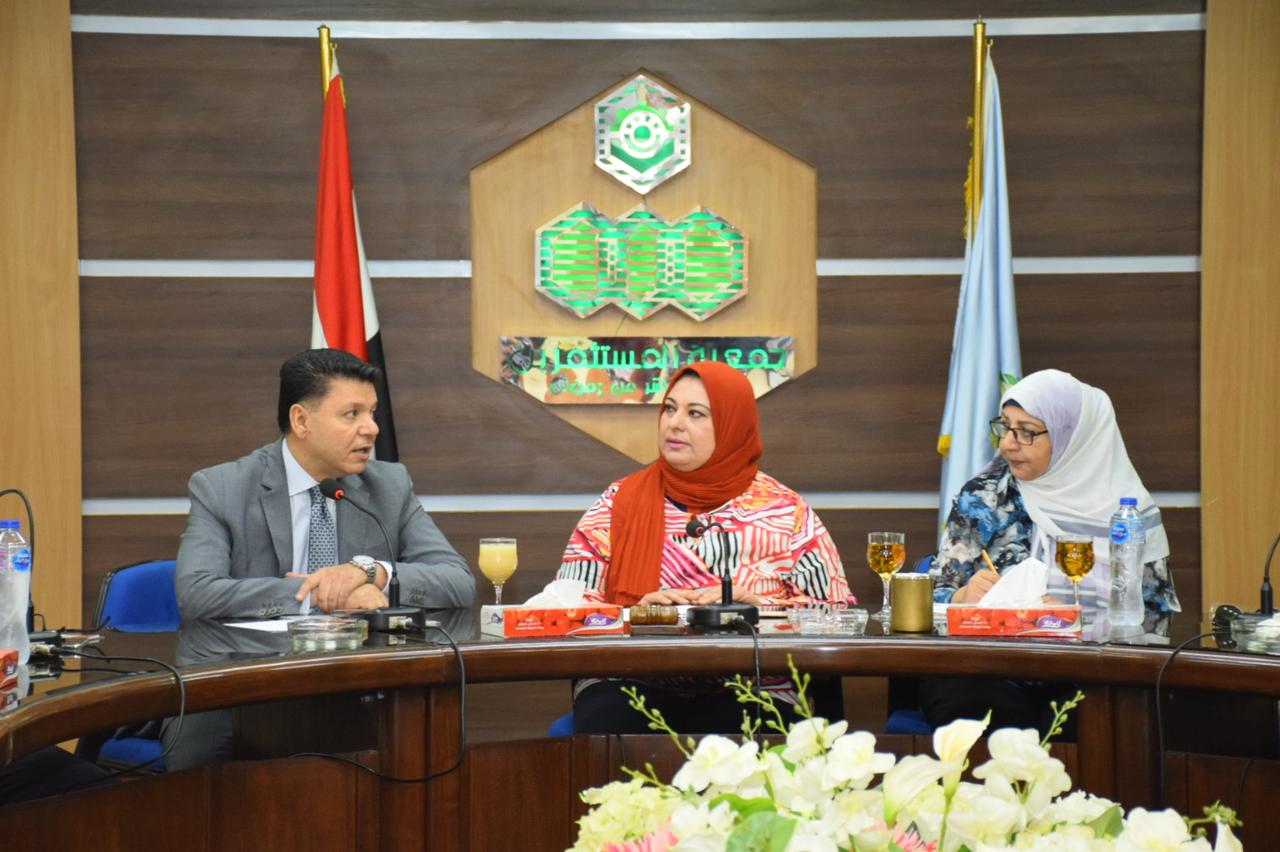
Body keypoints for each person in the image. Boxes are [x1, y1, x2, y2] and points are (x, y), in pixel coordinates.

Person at [557, 361, 849, 733]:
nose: (674, 423)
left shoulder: (784, 510)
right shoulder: (618, 502)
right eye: (669, 408)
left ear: (731, 426)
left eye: (695, 413)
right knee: (612, 721)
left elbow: (836, 619)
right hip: (633, 681)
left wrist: (760, 610)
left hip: (753, 684)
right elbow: (566, 611)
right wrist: (635, 614)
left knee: (745, 727)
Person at [922, 369, 1181, 731]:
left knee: (1103, 714)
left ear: (1072, 437)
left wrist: (1073, 619)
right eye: (1005, 427)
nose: (1007, 444)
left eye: (1027, 432)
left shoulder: (1129, 513)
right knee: (970, 704)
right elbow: (932, 598)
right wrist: (963, 597)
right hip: (990, 672)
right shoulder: (984, 496)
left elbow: (1154, 621)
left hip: (1089, 673)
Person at [176, 348, 474, 620]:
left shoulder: (389, 486)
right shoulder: (223, 489)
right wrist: (320, 593)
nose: (372, 428)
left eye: (372, 412)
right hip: (260, 658)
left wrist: (372, 573)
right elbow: (197, 594)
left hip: (361, 658)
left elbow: (458, 582)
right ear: (301, 421)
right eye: (352, 414)